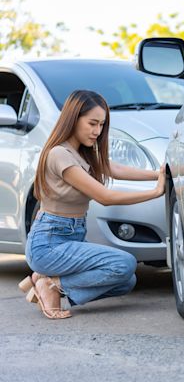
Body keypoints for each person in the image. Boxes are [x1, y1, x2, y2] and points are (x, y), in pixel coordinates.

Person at [18, 90, 165, 320]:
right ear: (74, 118)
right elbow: (104, 197)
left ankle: (48, 282)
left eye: (101, 125)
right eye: (92, 123)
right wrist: (155, 192)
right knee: (124, 263)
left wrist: (159, 174)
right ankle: (52, 285)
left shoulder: (83, 153)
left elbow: (116, 168)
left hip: (72, 235)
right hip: (48, 242)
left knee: (126, 281)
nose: (97, 131)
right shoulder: (59, 154)